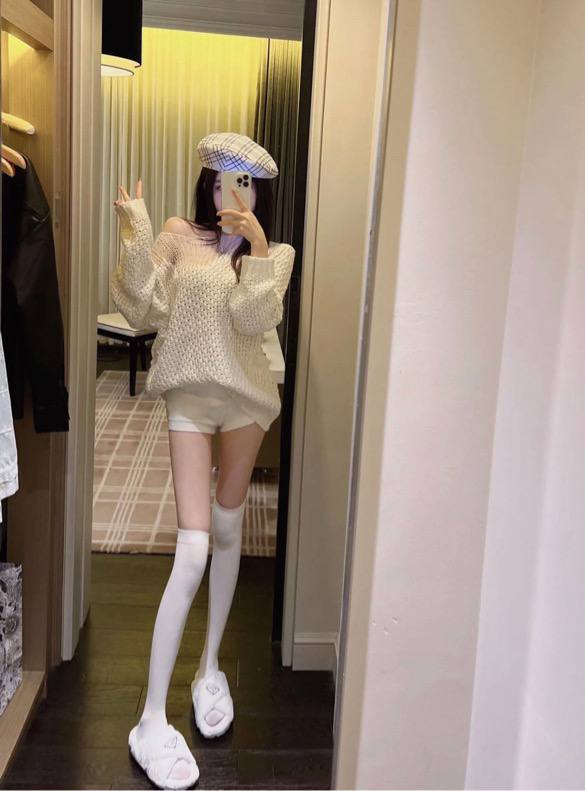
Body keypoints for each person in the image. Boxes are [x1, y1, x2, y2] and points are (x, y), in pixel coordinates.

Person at [110, 132, 296, 789]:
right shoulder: (177, 234)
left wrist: (259, 250)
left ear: (259, 192)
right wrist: (135, 231)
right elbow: (141, 306)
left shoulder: (273, 254)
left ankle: (210, 666)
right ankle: (150, 718)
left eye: (244, 183)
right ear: (206, 182)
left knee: (227, 528)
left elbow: (253, 321)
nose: (232, 193)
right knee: (192, 548)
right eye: (221, 180)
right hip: (188, 397)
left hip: (245, 400)